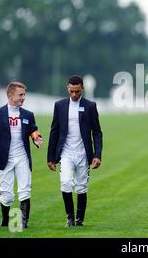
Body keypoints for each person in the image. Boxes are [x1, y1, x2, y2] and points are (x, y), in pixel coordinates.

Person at [47, 75, 103, 227]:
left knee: (81, 186)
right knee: (65, 182)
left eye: (77, 92)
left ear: (82, 89)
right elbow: (54, 131)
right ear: (67, 88)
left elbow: (97, 132)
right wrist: (50, 157)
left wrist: (97, 155)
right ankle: (70, 217)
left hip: (84, 154)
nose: (74, 95)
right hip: (66, 152)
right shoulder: (60, 106)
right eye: (71, 91)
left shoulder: (90, 106)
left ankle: (79, 219)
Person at [0, 81, 43, 229]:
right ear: (10, 95)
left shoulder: (28, 115)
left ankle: (23, 222)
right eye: (20, 95)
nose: (23, 98)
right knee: (7, 195)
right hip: (4, 159)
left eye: (24, 95)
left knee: (25, 190)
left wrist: (36, 138)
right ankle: (6, 219)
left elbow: (33, 130)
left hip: (23, 157)